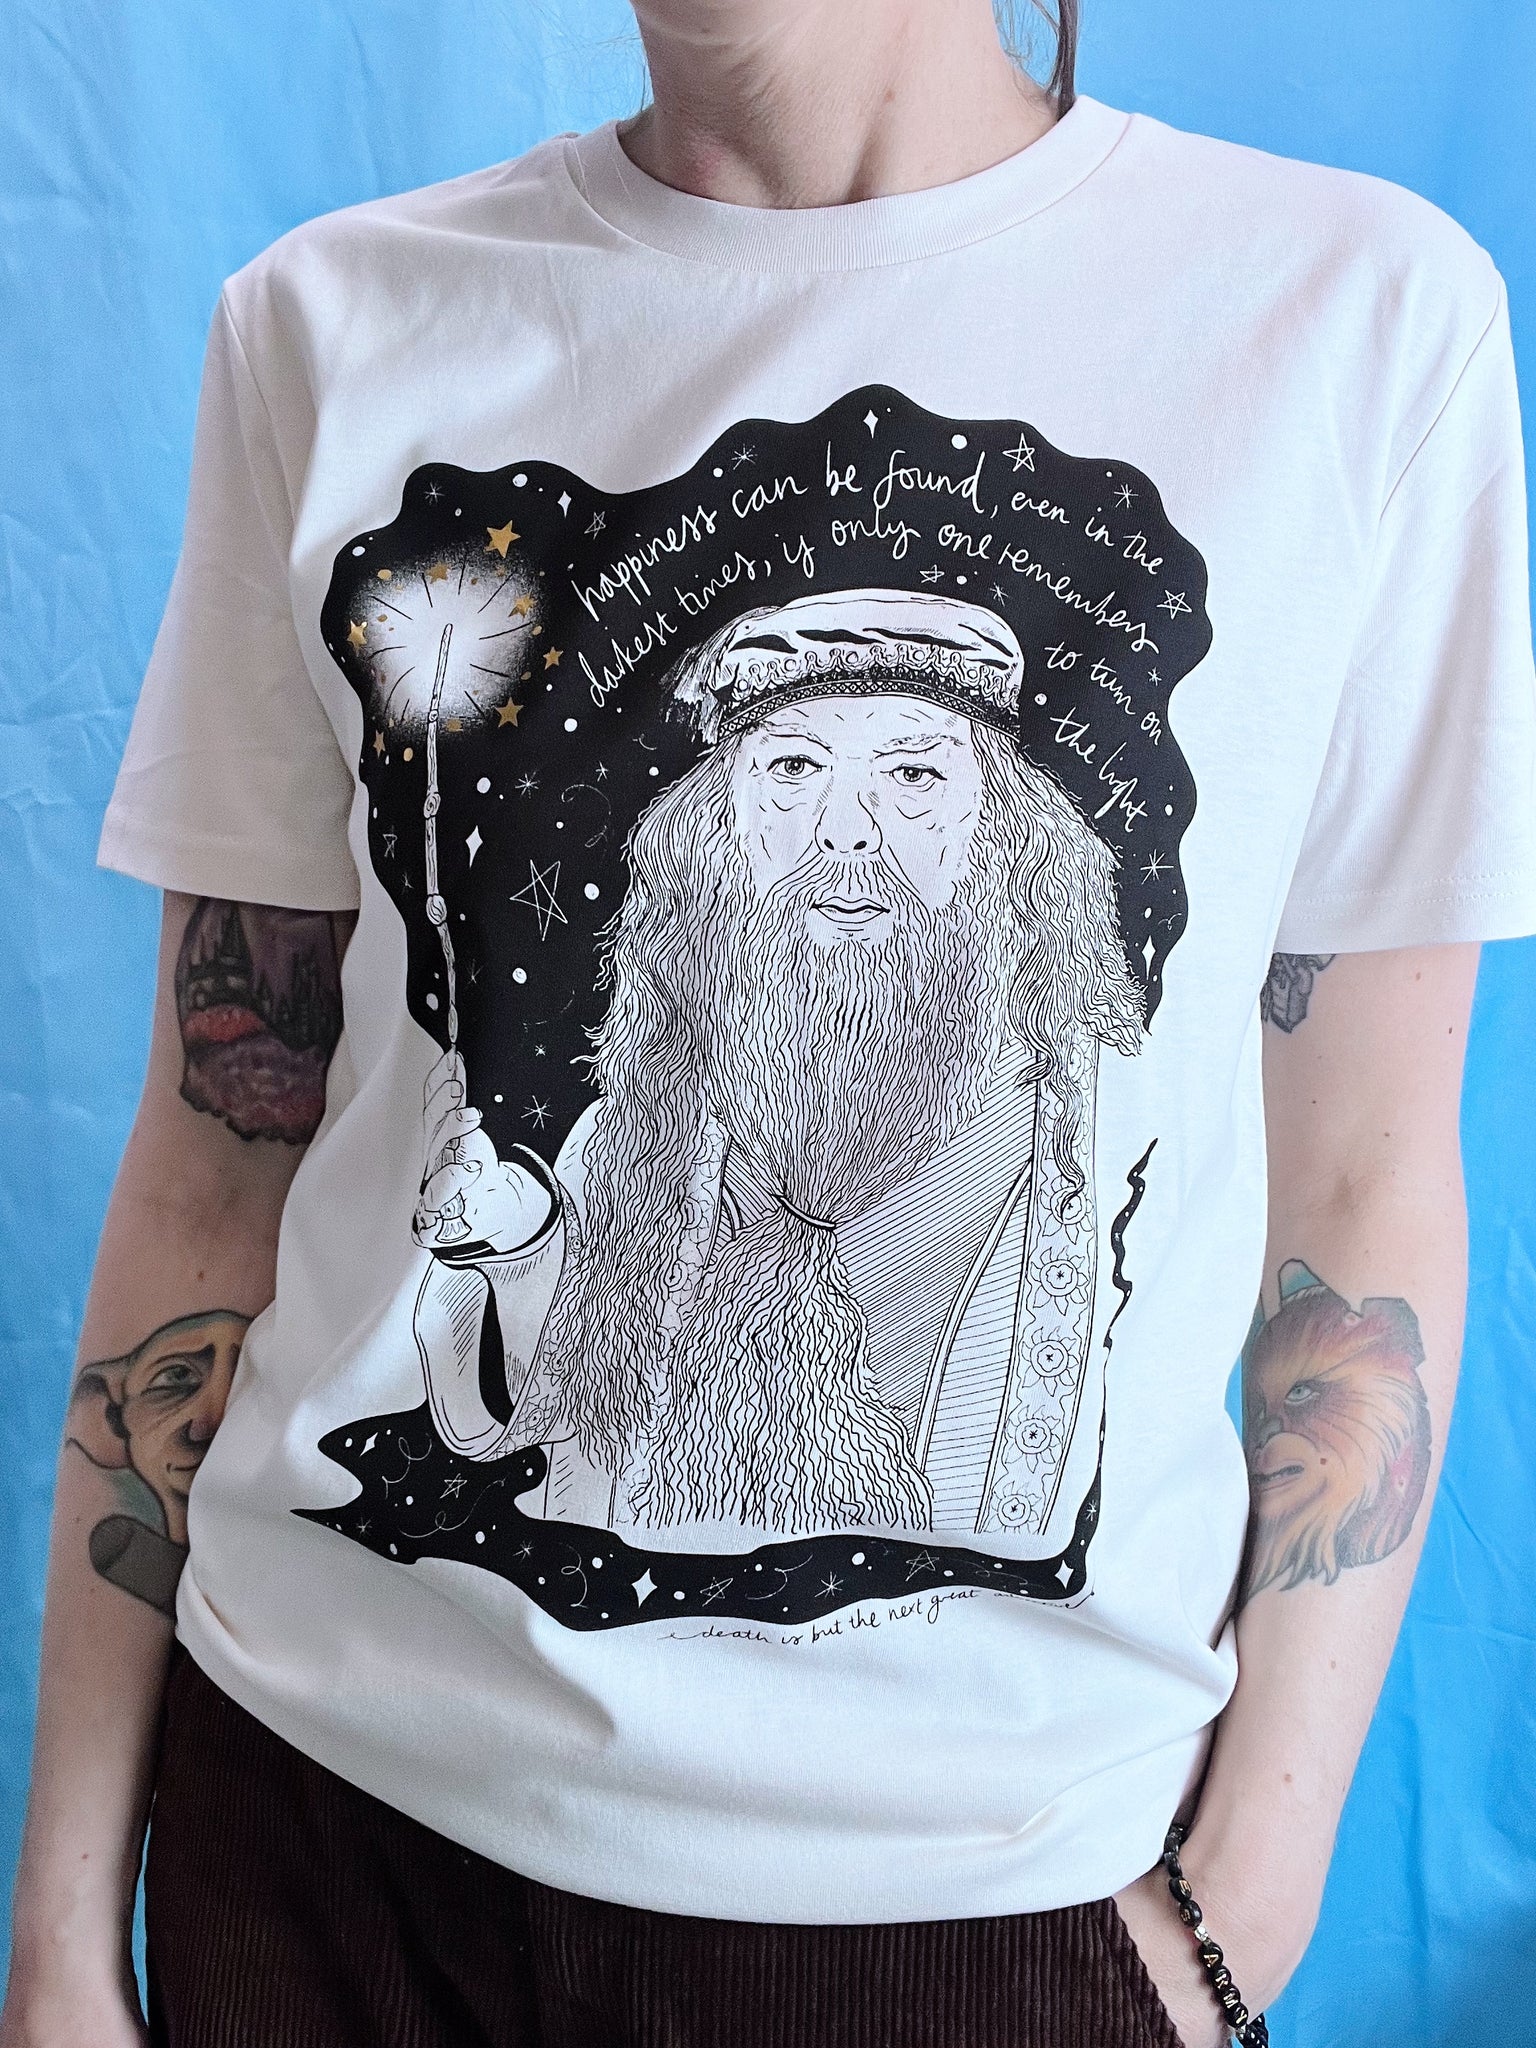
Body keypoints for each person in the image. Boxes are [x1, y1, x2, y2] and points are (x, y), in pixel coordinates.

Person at [5, 1, 1534, 2043]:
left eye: (914, 778)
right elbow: (219, 1161)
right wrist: (58, 1928)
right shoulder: (328, 321)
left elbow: (1365, 1178)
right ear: (710, 836)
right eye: (789, 778)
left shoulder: (1356, 319)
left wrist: (1243, 1903)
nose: (844, 835)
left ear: (1013, 837)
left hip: (988, 1921)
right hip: (315, 1842)